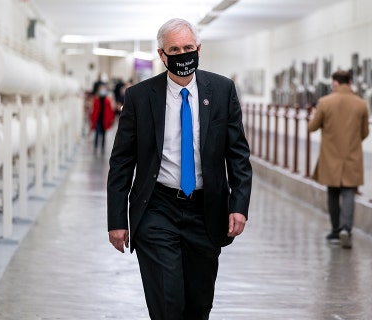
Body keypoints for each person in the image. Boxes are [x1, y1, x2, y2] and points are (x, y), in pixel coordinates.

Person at [106, 18, 252, 320]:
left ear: (199, 49)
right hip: (157, 207)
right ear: (162, 55)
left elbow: (238, 154)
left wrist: (239, 206)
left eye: (188, 47)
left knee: (199, 306)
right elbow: (121, 162)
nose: (183, 54)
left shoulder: (223, 90)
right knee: (167, 304)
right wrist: (117, 219)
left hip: (206, 210)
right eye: (175, 49)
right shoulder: (139, 97)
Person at [308, 70, 369, 248]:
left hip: (330, 155)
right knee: (349, 192)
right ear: (350, 82)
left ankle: (335, 230)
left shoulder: (325, 102)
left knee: (333, 193)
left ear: (334, 83)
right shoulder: (361, 104)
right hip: (352, 154)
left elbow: (312, 127)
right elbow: (365, 132)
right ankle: (346, 229)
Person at [90, 83, 114, 154]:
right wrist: (92, 118)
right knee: (97, 133)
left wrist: (111, 119)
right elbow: (93, 109)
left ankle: (102, 146)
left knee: (104, 134)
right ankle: (95, 146)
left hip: (105, 119)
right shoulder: (96, 99)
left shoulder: (107, 100)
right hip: (98, 118)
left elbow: (110, 110)